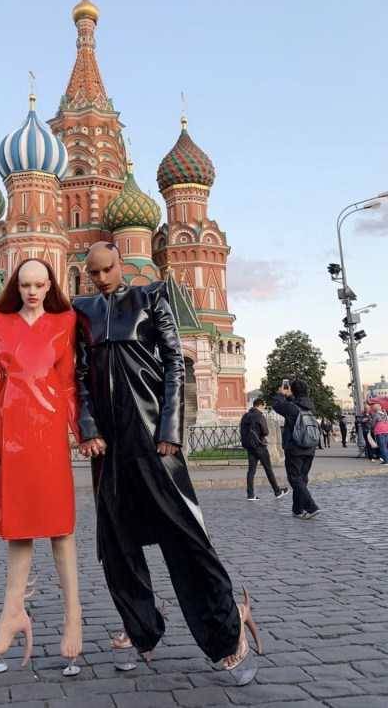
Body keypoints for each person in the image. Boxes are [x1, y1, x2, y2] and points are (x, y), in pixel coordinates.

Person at [73, 242, 262, 684]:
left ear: (121, 264)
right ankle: (142, 627)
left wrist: (170, 429)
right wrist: (87, 426)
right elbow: (79, 375)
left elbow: (175, 361)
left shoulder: (151, 296)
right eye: (94, 273)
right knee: (116, 542)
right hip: (108, 446)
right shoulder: (82, 311)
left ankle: (226, 629)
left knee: (185, 534)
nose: (101, 279)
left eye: (108, 269)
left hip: (153, 436)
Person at [0, 259, 83, 673]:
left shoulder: (65, 322)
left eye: (40, 284)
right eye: (26, 285)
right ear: (15, 286)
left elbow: (70, 383)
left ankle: (73, 617)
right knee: (17, 528)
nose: (33, 291)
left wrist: (83, 432)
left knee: (61, 527)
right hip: (13, 435)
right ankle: (12, 615)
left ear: (51, 284)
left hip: (51, 434)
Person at [272, 380, 320, 519]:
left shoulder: (292, 408)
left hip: (295, 447)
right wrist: (290, 396)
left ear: (292, 390)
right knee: (302, 479)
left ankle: (311, 507)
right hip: (310, 447)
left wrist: (281, 394)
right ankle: (297, 509)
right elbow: (296, 404)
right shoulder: (310, 406)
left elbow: (277, 405)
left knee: (294, 478)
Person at [240, 399, 288, 501]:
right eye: (263, 406)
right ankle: (277, 492)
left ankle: (250, 494)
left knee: (251, 471)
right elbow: (265, 431)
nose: (264, 408)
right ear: (260, 405)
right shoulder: (259, 416)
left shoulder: (245, 416)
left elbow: (242, 431)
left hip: (250, 447)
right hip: (260, 446)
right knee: (268, 469)